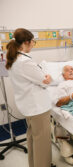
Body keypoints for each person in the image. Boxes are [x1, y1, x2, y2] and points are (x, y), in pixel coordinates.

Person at [6, 28, 55, 167]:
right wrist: (48, 78)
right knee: (42, 142)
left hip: (29, 107)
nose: (34, 44)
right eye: (33, 41)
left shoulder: (15, 59)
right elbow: (44, 81)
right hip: (38, 108)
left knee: (33, 138)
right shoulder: (25, 62)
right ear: (27, 42)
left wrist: (43, 78)